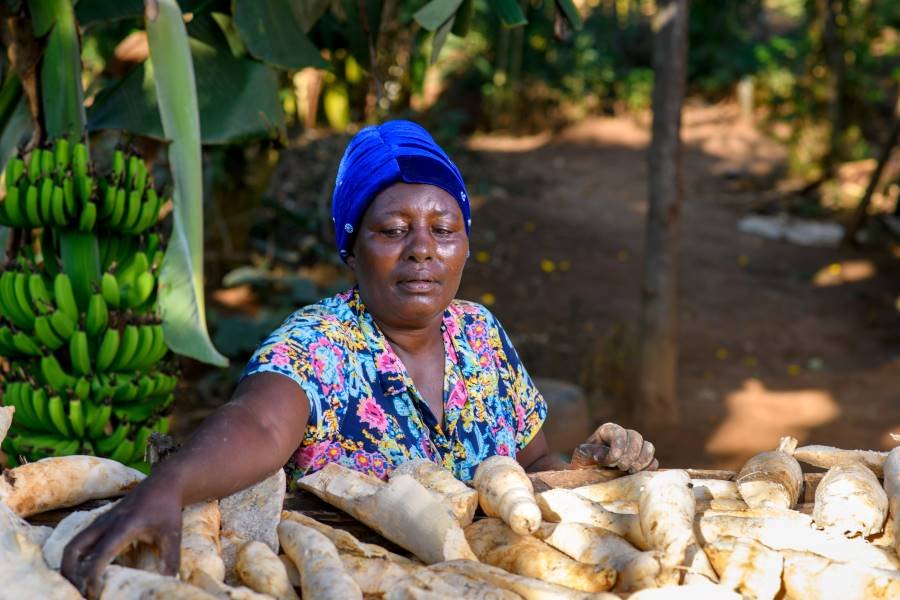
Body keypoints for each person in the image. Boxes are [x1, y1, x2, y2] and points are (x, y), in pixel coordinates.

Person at [62, 120, 657, 596]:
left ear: (466, 244)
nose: (422, 249)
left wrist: (581, 469)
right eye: (393, 230)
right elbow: (261, 422)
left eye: (442, 229)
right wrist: (168, 486)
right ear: (352, 246)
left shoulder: (481, 334)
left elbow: (531, 464)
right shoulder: (317, 342)